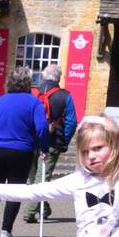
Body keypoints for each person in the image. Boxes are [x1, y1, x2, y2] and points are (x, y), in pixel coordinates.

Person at [0, 66, 49, 237]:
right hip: (21, 152)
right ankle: (5, 231)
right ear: (28, 83)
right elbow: (43, 127)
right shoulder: (34, 103)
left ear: (9, 82)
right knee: (15, 190)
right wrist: (43, 147)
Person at [24, 64, 77, 225]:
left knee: (34, 177)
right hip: (53, 140)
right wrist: (64, 141)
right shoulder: (65, 96)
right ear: (59, 78)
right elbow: (71, 122)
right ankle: (31, 211)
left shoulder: (34, 94)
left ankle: (43, 208)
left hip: (31, 140)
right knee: (42, 177)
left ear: (43, 77)